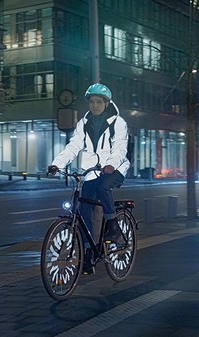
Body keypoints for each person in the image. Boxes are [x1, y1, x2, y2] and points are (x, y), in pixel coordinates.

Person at [48, 83, 130, 274]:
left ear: (106, 103)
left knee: (103, 187)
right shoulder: (83, 123)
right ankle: (88, 254)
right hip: (91, 171)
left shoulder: (118, 123)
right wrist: (57, 164)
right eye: (92, 102)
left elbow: (120, 147)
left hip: (115, 168)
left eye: (99, 102)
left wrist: (111, 164)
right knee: (84, 212)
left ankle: (113, 226)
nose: (95, 105)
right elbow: (73, 146)